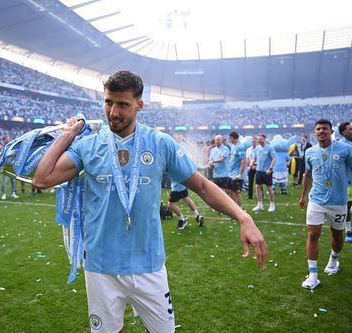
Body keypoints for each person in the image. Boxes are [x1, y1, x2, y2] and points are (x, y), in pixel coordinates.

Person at [32, 71, 267, 333]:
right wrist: (68, 134)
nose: (113, 112)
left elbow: (201, 185)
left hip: (148, 264)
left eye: (123, 104)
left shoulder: (159, 143)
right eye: (109, 102)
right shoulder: (88, 144)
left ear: (139, 105)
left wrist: (243, 217)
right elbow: (42, 179)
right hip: (101, 266)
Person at [299, 119, 352, 289]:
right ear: (314, 132)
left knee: (337, 236)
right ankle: (313, 274)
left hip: (338, 201)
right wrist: (303, 196)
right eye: (318, 129)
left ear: (331, 132)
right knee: (313, 234)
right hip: (316, 200)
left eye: (325, 128)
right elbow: (307, 175)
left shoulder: (345, 149)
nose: (321, 131)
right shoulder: (309, 152)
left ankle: (333, 259)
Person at [251, 134, 276, 212]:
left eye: (260, 139)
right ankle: (260, 205)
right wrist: (250, 164)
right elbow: (254, 158)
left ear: (264, 139)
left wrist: (270, 168)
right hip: (259, 171)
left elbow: (274, 159)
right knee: (258, 187)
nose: (259, 141)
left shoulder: (269, 148)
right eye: (258, 139)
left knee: (269, 188)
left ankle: (272, 205)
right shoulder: (257, 148)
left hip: (267, 172)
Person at [228, 131, 247, 207]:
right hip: (231, 173)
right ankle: (235, 207)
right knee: (230, 191)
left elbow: (243, 160)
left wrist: (240, 174)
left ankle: (239, 209)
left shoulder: (240, 147)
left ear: (232, 138)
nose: (230, 140)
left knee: (236, 192)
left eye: (230, 138)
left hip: (237, 174)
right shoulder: (233, 146)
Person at [0, 135, 18, 200]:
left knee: (13, 180)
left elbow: (15, 153)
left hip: (11, 165)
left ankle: (13, 193)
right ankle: (3, 194)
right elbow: (1, 157)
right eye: (6, 139)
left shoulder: (12, 146)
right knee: (4, 181)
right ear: (3, 140)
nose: (8, 140)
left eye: (8, 139)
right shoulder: (2, 148)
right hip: (5, 166)